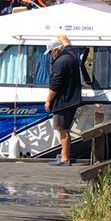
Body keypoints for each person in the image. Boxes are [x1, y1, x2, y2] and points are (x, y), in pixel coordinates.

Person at [44, 32, 83, 164]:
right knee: (64, 128)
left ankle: (65, 158)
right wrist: (63, 38)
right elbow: (69, 46)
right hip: (73, 99)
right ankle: (64, 155)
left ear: (56, 50)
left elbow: (55, 85)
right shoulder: (72, 56)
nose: (50, 55)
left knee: (61, 129)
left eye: (50, 52)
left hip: (63, 101)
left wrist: (48, 101)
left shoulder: (59, 63)